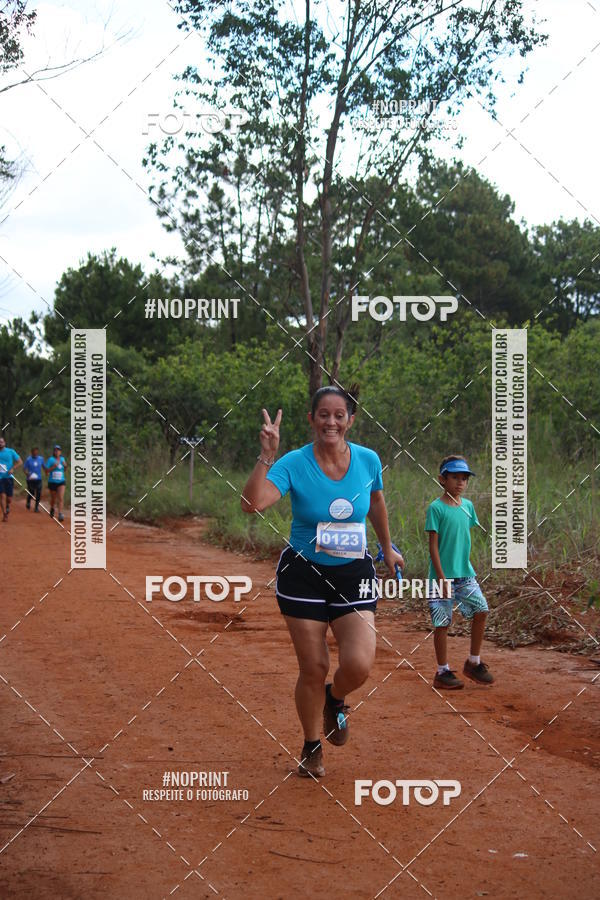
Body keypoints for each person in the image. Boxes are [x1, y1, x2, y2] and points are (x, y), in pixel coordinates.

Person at [241, 384, 403, 778]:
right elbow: (252, 504)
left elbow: (377, 502)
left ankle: (336, 698)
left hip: (353, 574)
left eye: (339, 414)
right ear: (312, 420)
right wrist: (267, 455)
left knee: (359, 663)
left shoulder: (367, 460)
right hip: (303, 575)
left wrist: (387, 545)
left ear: (350, 419)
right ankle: (312, 745)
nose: (332, 421)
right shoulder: (294, 463)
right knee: (313, 666)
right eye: (323, 414)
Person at [425, 455, 494, 690]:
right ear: (442, 480)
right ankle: (442, 671)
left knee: (481, 609)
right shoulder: (436, 508)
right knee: (442, 623)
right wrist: (442, 578)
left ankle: (473, 662)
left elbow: (463, 539)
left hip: (465, 574)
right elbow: (433, 545)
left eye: (464, 478)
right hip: (440, 577)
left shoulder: (468, 507)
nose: (460, 482)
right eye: (454, 477)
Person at [0, 436, 22, 522]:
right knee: (2, 495)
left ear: (4, 443)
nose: (0, 443)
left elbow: (20, 462)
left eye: (1, 442)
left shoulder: (10, 451)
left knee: (9, 498)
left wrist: (13, 468)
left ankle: (8, 506)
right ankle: (5, 514)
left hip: (9, 477)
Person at [44, 443, 67, 522]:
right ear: (53, 452)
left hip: (61, 481)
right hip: (52, 482)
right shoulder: (50, 460)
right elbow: (46, 471)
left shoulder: (62, 459)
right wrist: (53, 467)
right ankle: (52, 507)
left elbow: (65, 470)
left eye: (58, 451)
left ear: (60, 452)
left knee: (60, 497)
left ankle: (60, 513)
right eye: (55, 451)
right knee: (53, 498)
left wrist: (65, 466)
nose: (57, 452)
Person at [23, 446, 44, 512]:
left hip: (38, 479)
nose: (35, 453)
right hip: (30, 479)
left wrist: (47, 471)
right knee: (31, 492)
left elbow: (44, 466)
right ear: (31, 452)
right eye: (34, 451)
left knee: (39, 493)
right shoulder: (28, 459)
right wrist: (27, 474)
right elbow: (24, 469)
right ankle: (28, 501)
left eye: (36, 451)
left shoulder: (41, 459)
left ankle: (36, 507)